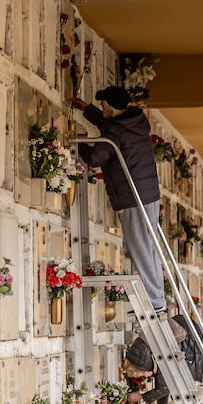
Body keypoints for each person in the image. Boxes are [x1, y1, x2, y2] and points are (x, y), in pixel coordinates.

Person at [73, 86, 165, 312]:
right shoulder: (133, 122)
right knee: (149, 248)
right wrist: (87, 109)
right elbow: (109, 126)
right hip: (148, 194)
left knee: (140, 248)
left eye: (104, 106)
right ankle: (157, 299)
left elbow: (96, 157)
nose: (103, 108)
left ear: (112, 108)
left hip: (132, 197)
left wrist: (80, 141)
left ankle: (153, 303)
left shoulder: (117, 130)